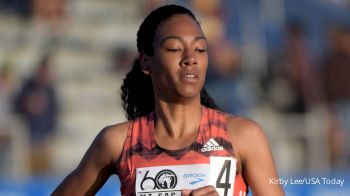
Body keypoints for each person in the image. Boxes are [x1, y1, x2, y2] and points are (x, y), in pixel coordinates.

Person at [52, 4, 284, 196]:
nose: (191, 59)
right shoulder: (116, 142)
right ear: (145, 62)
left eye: (200, 49)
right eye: (174, 48)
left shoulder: (244, 136)